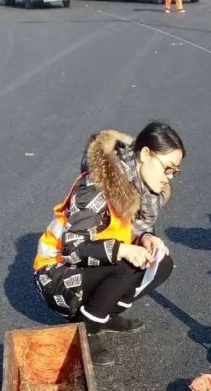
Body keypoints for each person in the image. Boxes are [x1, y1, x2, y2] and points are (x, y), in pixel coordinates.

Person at [33, 122, 185, 366]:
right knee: (126, 264)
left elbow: (125, 232)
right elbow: (73, 249)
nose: (169, 177)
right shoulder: (96, 186)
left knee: (161, 262)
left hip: (89, 266)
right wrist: (123, 249)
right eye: (167, 168)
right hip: (56, 275)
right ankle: (85, 330)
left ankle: (102, 315)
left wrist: (146, 238)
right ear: (146, 154)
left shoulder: (140, 189)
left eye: (175, 172)